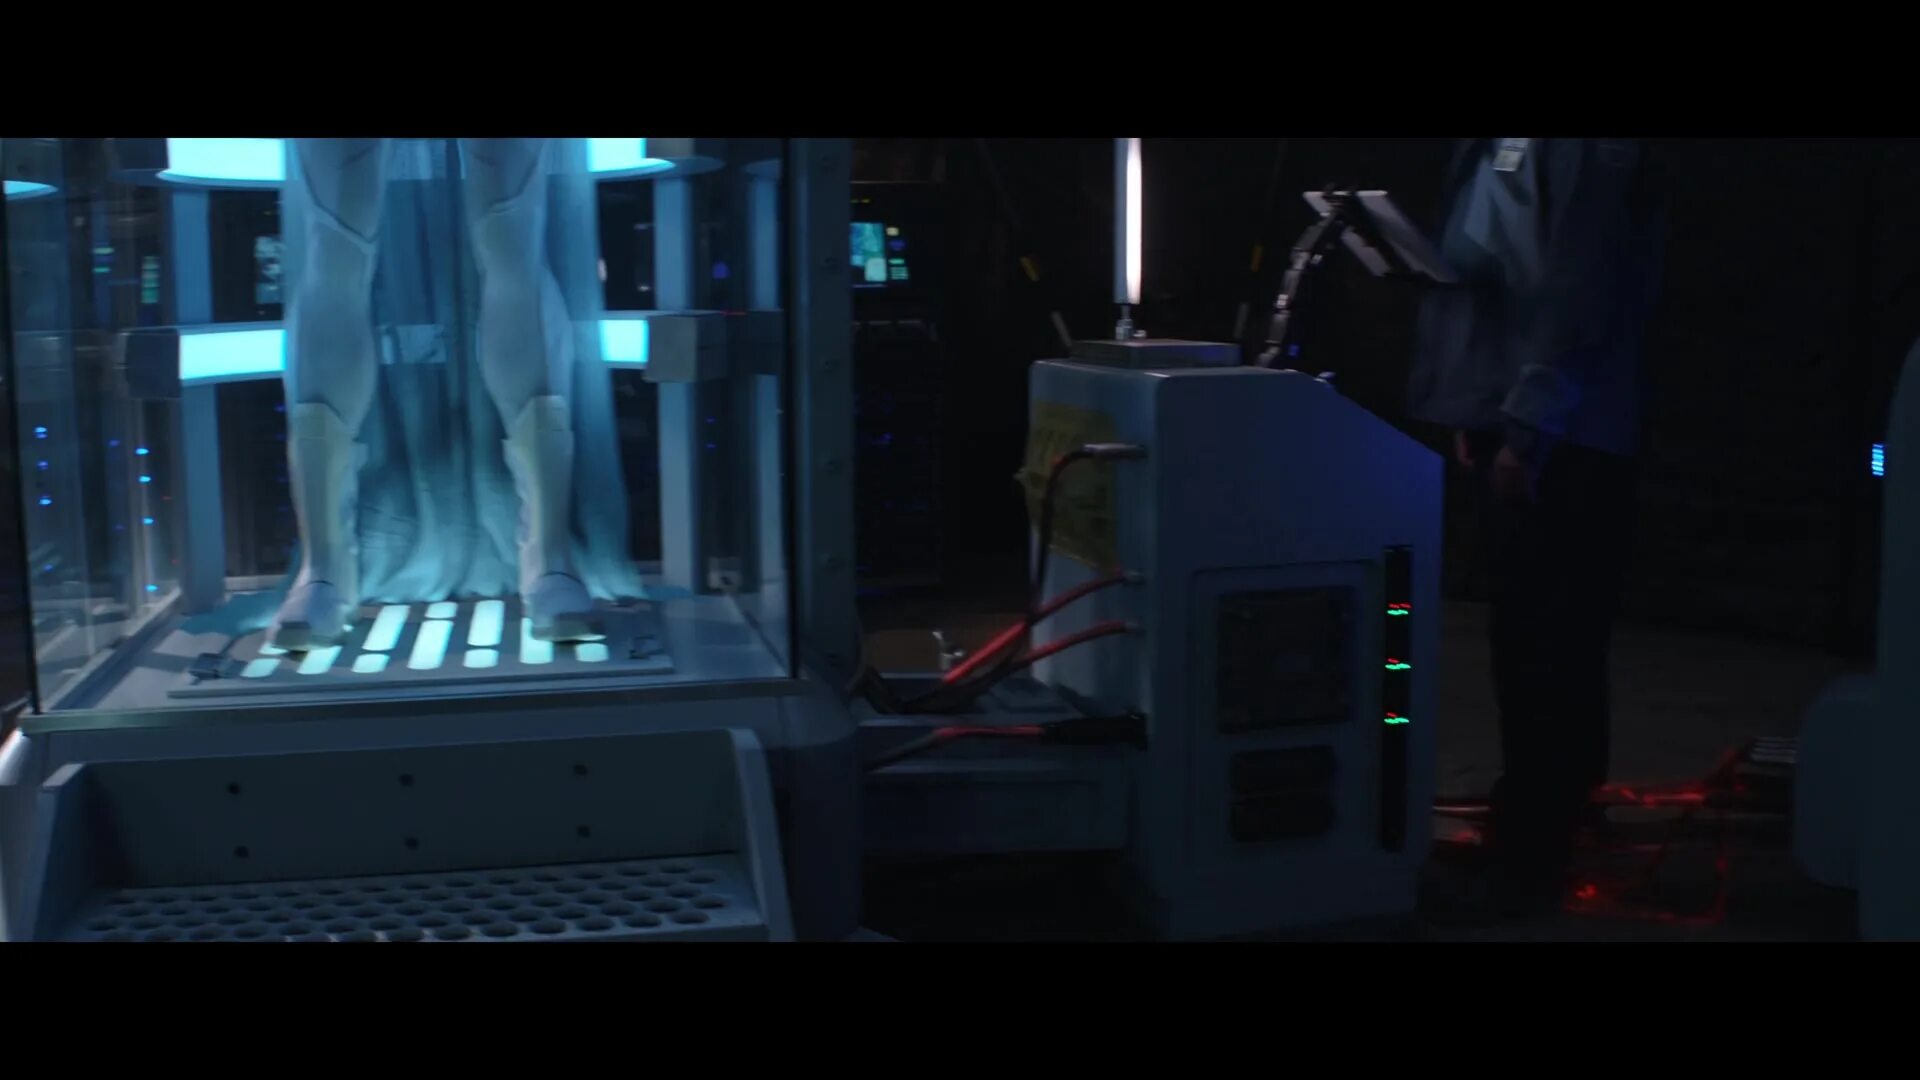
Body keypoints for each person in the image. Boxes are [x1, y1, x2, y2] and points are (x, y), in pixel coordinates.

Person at [1410, 138, 1666, 914]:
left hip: (1562, 434)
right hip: (1522, 417)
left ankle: (1532, 857)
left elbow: (1578, 289)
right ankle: (1548, 827)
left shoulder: (1592, 154)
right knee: (1534, 638)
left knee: (1545, 642)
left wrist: (1527, 427)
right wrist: (1478, 408)